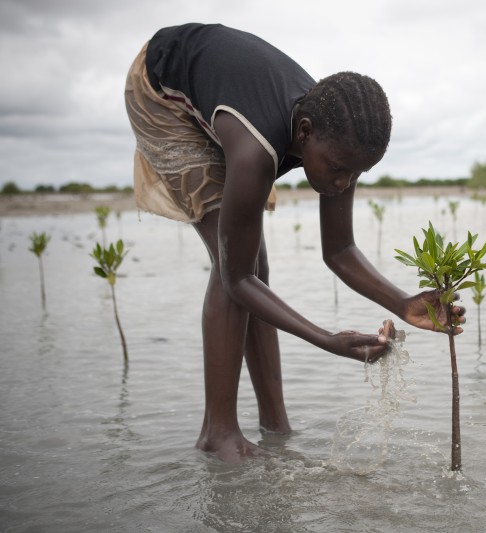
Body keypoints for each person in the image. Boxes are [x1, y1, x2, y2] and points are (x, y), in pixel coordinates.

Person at [124, 23, 465, 463]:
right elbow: (237, 277)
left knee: (253, 267)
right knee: (237, 265)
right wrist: (326, 340)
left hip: (226, 93)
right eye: (339, 168)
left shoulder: (338, 138)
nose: (344, 182)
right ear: (303, 133)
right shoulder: (256, 149)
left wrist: (403, 303)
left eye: (357, 174)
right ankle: (218, 433)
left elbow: (339, 250)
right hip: (162, 89)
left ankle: (275, 425)